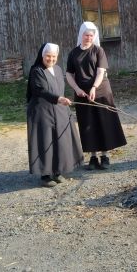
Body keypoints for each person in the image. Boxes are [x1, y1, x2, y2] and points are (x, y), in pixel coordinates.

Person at [66, 21, 127, 170]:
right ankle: (93, 157)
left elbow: (101, 72)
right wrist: (76, 88)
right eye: (86, 35)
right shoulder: (73, 53)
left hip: (100, 91)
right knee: (88, 124)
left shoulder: (98, 51)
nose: (88, 38)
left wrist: (94, 87)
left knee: (103, 122)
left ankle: (104, 156)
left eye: (91, 36)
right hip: (82, 93)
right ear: (81, 35)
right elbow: (69, 73)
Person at [26, 43, 84, 187]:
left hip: (59, 110)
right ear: (42, 56)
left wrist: (62, 100)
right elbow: (40, 90)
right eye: (48, 56)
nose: (50, 59)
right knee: (45, 141)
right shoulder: (36, 71)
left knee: (59, 140)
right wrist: (58, 99)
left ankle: (58, 171)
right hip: (41, 112)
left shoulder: (58, 69)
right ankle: (45, 175)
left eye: (53, 56)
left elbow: (59, 89)